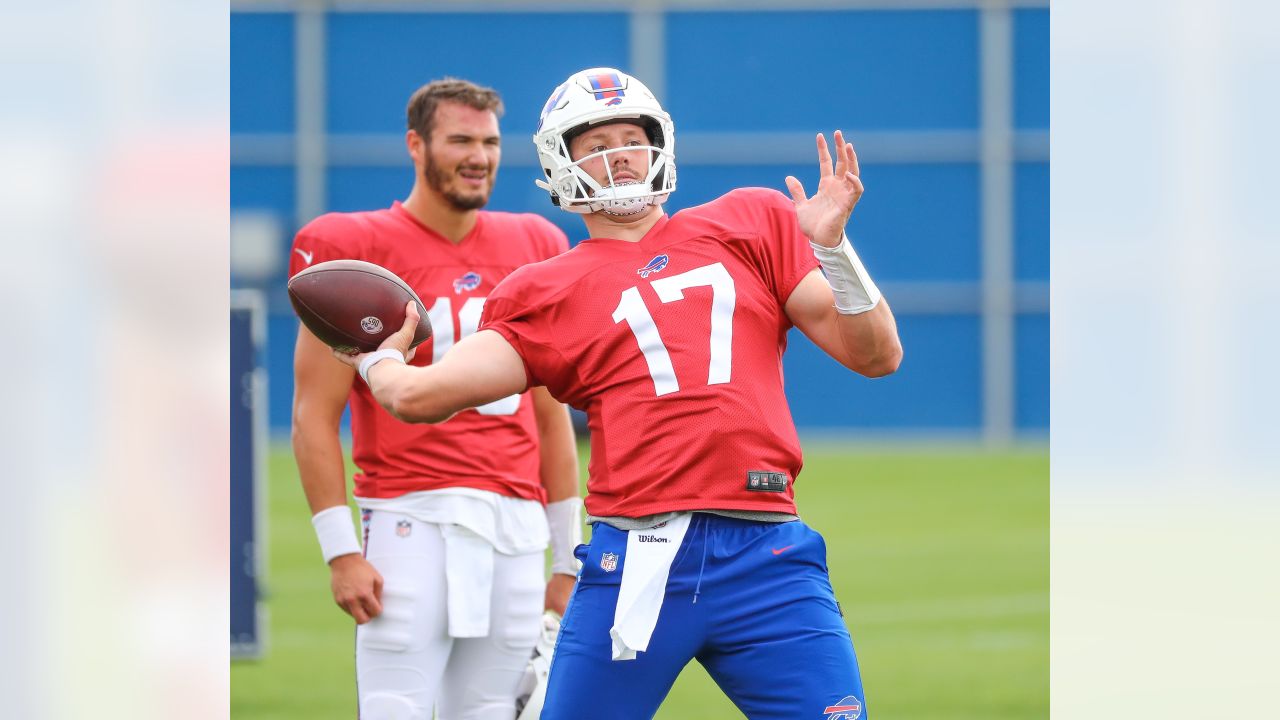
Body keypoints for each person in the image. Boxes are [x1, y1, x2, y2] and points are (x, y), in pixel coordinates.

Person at [336, 67, 903, 719]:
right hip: (635, 555)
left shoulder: (753, 221)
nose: (620, 154)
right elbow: (419, 397)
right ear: (561, 162)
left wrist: (834, 251)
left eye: (631, 136)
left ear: (659, 143)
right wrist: (378, 360)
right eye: (596, 142)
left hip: (766, 553)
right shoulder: (542, 289)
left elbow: (877, 355)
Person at [289, 77, 582, 720]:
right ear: (416, 145)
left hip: (517, 528)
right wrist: (340, 550)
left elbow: (550, 413)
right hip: (409, 516)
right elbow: (314, 413)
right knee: (396, 707)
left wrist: (568, 554)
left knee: (490, 712)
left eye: (490, 141)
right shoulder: (352, 245)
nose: (479, 156)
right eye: (460, 140)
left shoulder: (537, 245)